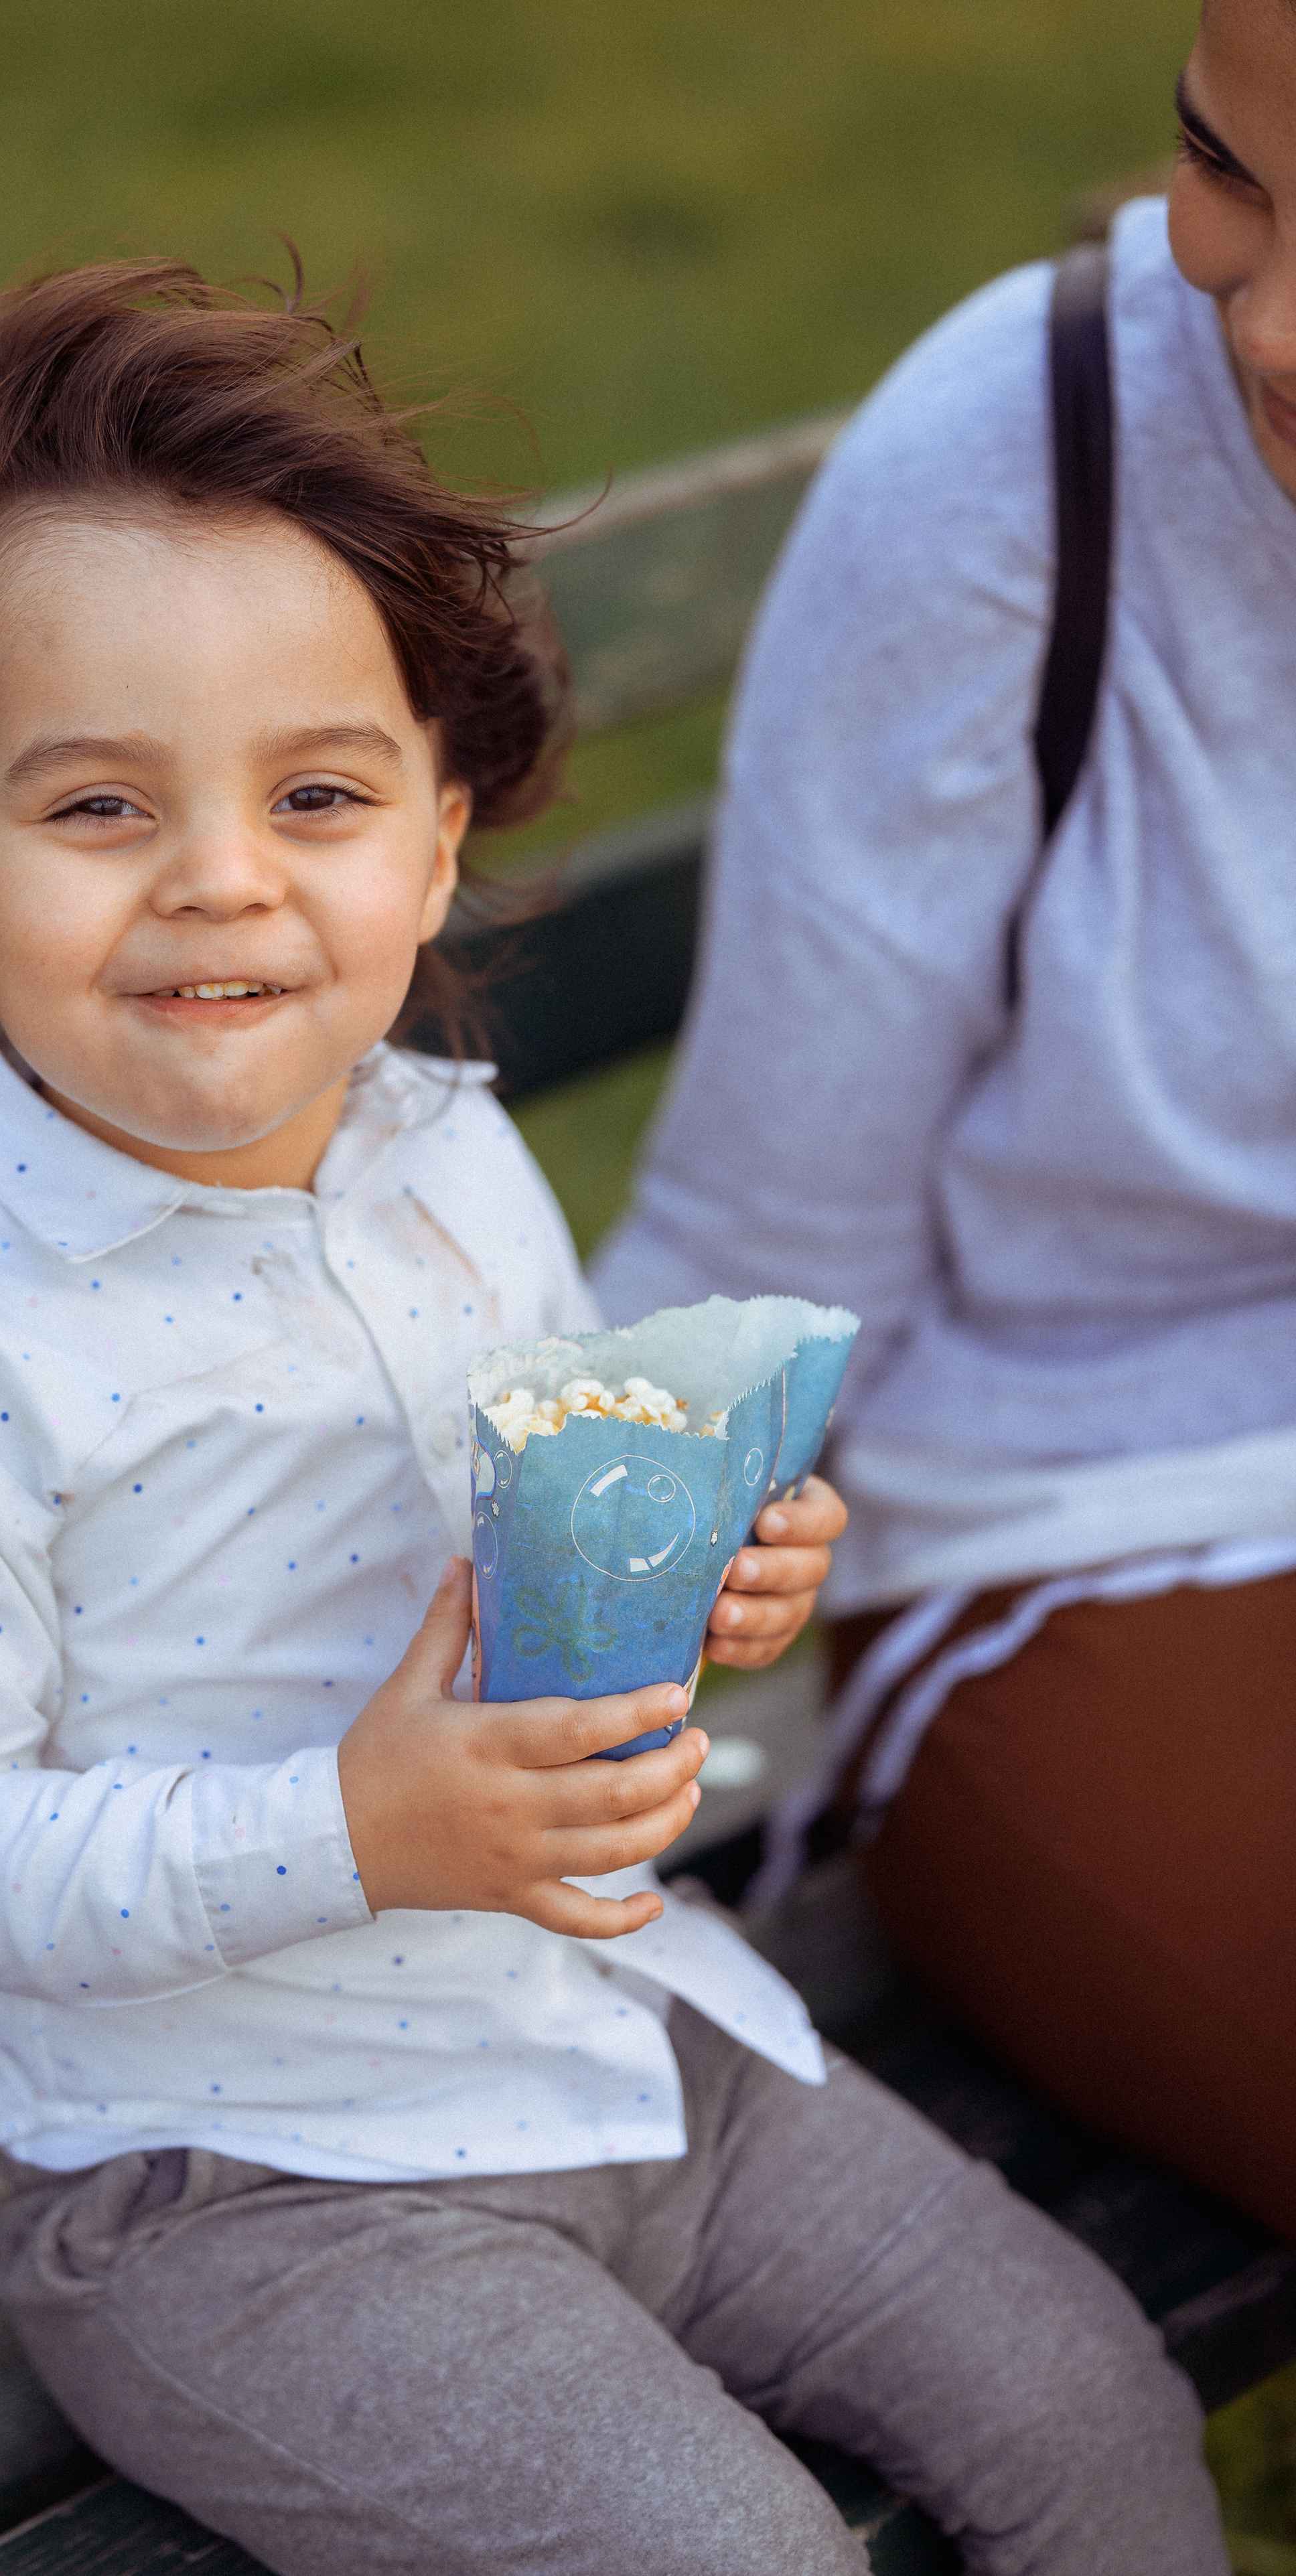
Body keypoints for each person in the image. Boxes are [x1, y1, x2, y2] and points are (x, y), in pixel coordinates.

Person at [0, 255, 1230, 2575]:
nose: (219, 876)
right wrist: (349, 1828)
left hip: (629, 2032)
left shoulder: (445, 1146)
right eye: (100, 805)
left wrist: (705, 1568)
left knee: (1087, 2401)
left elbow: (527, 1548)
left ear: (434, 840)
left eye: (315, 793)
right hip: (246, 2188)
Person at [595, 0, 1296, 2245]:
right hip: (1074, 1525)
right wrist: (500, 1738)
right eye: (1228, 172)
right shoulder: (1032, 469)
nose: (1272, 325)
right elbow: (752, 1255)